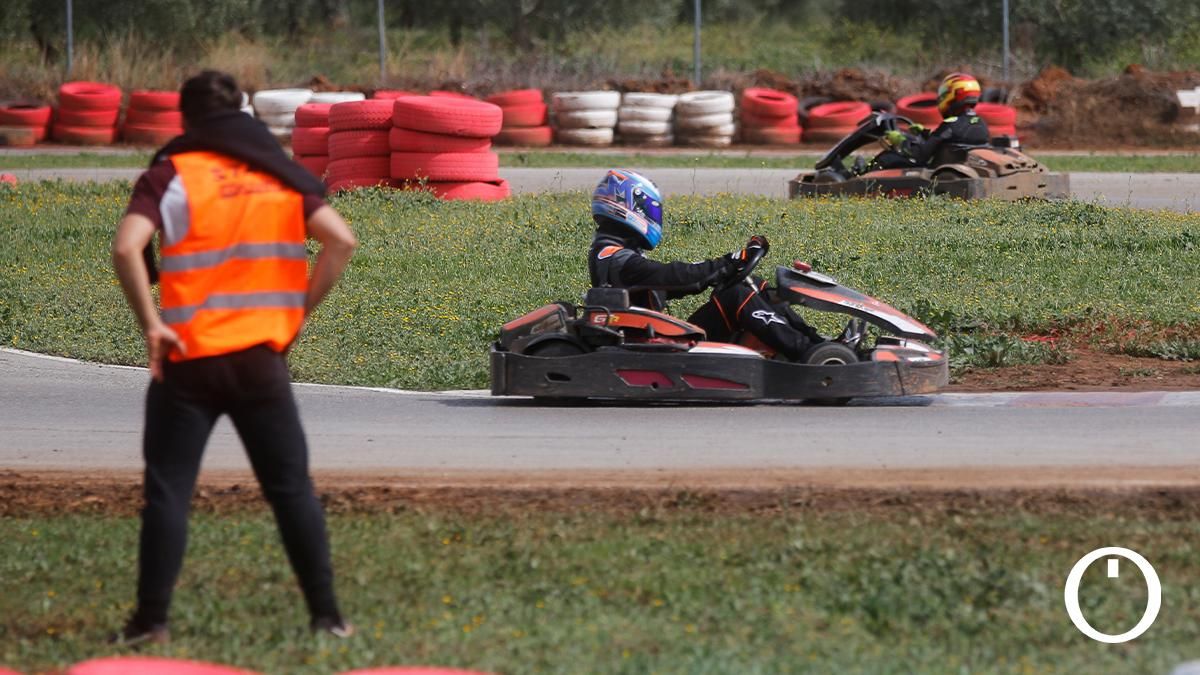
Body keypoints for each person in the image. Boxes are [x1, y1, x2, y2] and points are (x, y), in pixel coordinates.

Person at [109, 70, 357, 645]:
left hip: (187, 360)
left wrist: (151, 326)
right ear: (243, 113)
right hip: (260, 360)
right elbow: (341, 240)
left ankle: (150, 623)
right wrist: (297, 314)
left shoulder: (170, 174)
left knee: (169, 492)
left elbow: (126, 247)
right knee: (291, 490)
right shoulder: (277, 174)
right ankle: (328, 619)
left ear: (185, 120)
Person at [588, 169, 822, 360]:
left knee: (754, 286)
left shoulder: (612, 254)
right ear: (629, 206)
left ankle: (817, 345)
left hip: (653, 341)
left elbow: (671, 283)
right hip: (654, 351)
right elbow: (676, 276)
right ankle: (808, 354)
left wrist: (721, 272)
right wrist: (729, 262)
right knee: (737, 296)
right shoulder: (613, 257)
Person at [872, 72, 990, 170]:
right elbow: (946, 140)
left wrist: (900, 140)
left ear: (955, 94)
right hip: (961, 167)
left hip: (935, 171)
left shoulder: (951, 124)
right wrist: (924, 133)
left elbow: (919, 154)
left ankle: (863, 180)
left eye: (945, 92)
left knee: (888, 157)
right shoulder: (981, 123)